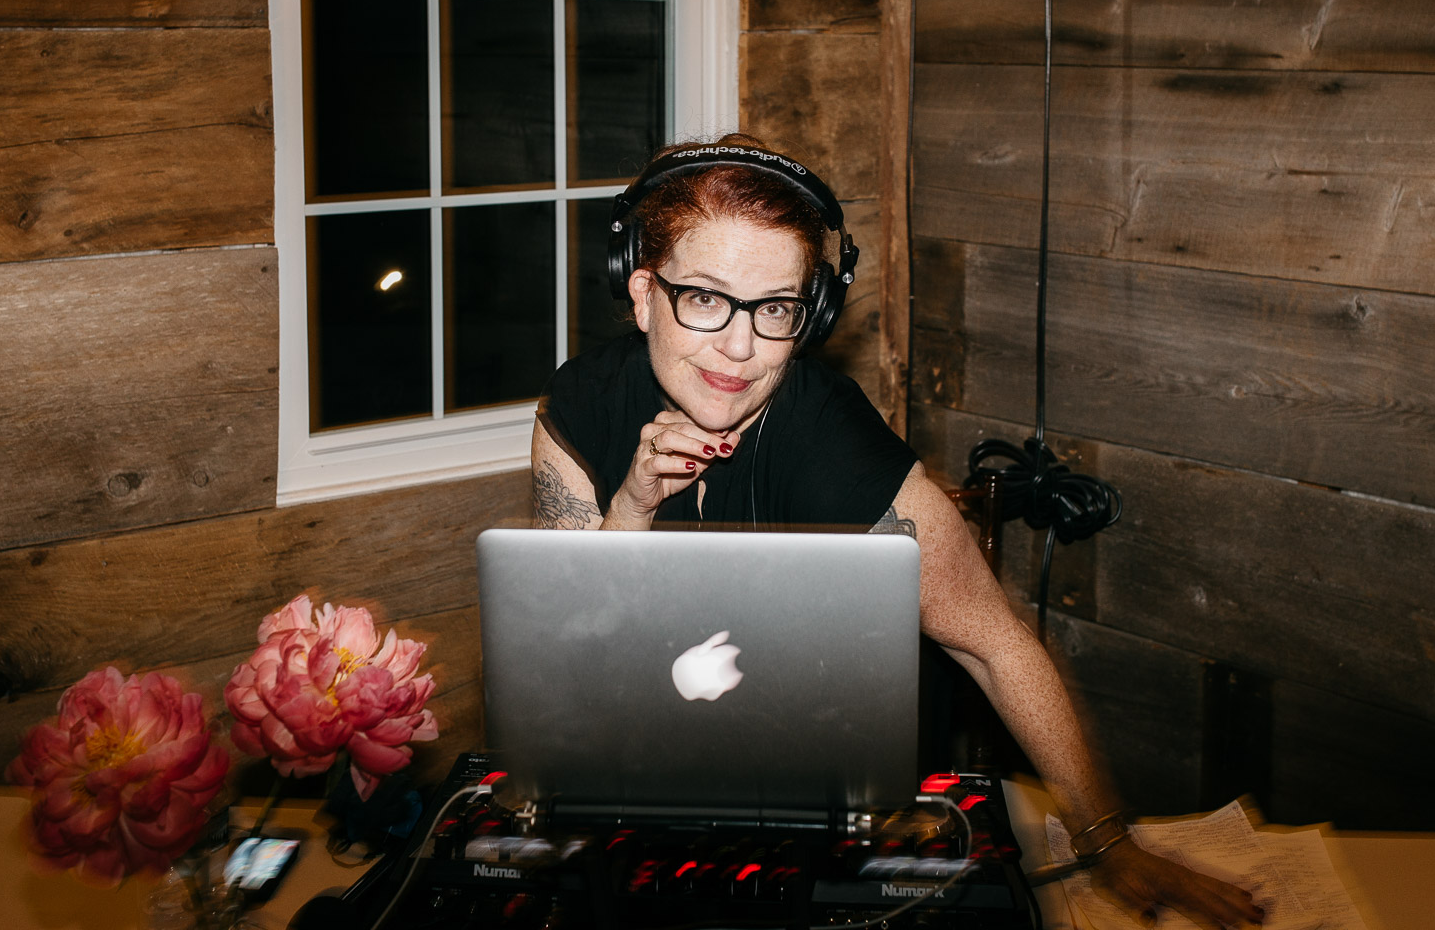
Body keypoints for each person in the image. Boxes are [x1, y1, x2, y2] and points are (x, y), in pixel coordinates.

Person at [532, 135, 1263, 928]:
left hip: (826, 824)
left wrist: (1107, 840)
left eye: (776, 308)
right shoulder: (577, 408)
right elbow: (570, 670)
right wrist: (634, 506)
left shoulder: (832, 441)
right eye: (705, 298)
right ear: (641, 294)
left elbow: (993, 643)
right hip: (633, 798)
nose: (740, 349)